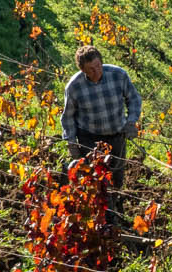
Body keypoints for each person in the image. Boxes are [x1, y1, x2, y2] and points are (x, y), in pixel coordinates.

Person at [60, 43, 142, 205]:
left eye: (98, 66)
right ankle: (98, 210)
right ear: (82, 70)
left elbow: (134, 99)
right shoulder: (74, 86)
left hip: (117, 136)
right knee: (94, 179)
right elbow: (68, 116)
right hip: (90, 140)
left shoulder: (118, 75)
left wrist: (131, 121)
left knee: (116, 177)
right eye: (91, 69)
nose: (96, 71)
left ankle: (114, 207)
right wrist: (71, 142)